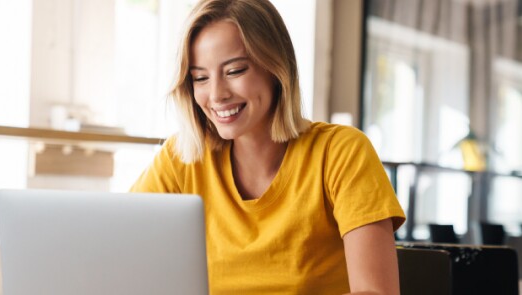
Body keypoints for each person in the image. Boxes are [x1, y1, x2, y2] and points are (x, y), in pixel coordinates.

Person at [131, 0, 406, 293]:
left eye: (235, 71)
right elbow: (118, 250)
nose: (216, 95)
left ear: (276, 68)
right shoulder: (182, 159)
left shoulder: (341, 152)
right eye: (200, 77)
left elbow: (376, 292)